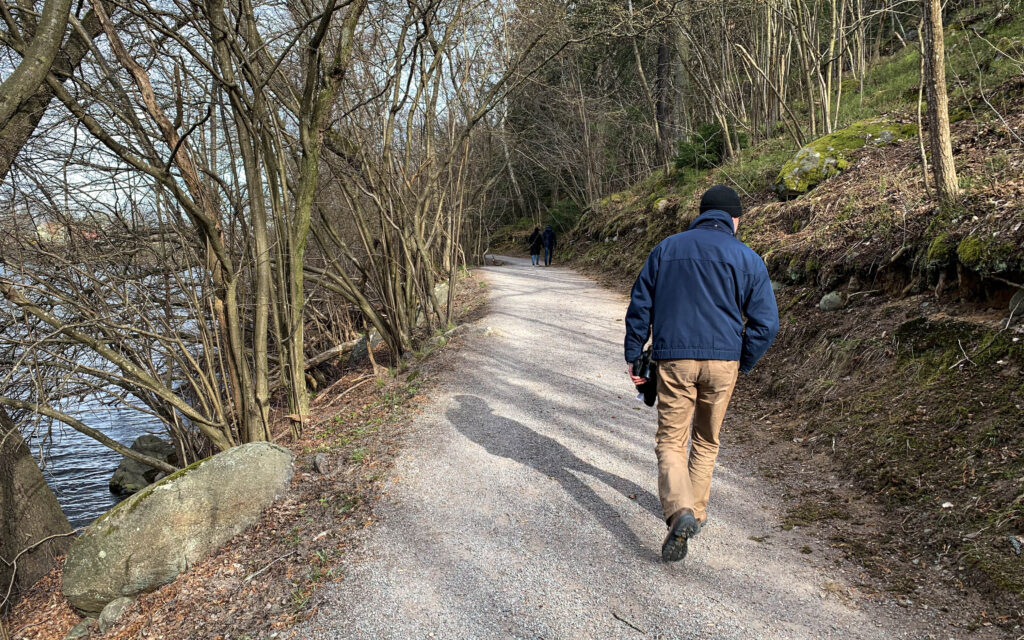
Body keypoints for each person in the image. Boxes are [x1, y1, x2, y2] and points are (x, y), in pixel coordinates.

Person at [624, 185, 779, 563]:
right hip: (723, 362)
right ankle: (698, 512)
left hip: (674, 359)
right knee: (706, 441)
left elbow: (640, 304)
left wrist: (633, 354)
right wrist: (741, 360)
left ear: (702, 212)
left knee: (671, 441)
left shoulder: (667, 248)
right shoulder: (748, 258)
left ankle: (680, 513)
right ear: (735, 219)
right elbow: (766, 324)